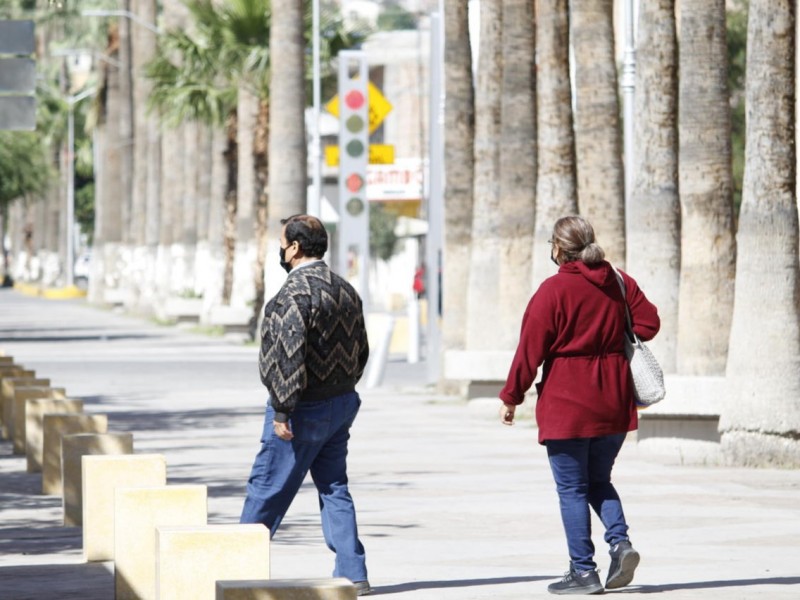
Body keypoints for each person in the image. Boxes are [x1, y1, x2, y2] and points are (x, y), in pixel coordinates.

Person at [498, 216, 660, 596]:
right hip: (614, 400)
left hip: (568, 402)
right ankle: (620, 544)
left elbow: (529, 351)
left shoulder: (553, 291)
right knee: (599, 480)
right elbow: (649, 324)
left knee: (572, 488)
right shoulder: (617, 281)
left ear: (558, 248)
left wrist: (511, 397)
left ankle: (583, 571)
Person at [240, 214, 372, 596]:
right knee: (334, 487)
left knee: (266, 489)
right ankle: (354, 573)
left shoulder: (293, 294)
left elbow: (288, 356)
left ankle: (235, 569)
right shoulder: (345, 289)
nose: (280, 249)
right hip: (341, 403)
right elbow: (361, 350)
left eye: (282, 242)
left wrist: (283, 409)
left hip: (300, 410)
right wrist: (343, 389)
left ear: (294, 248)